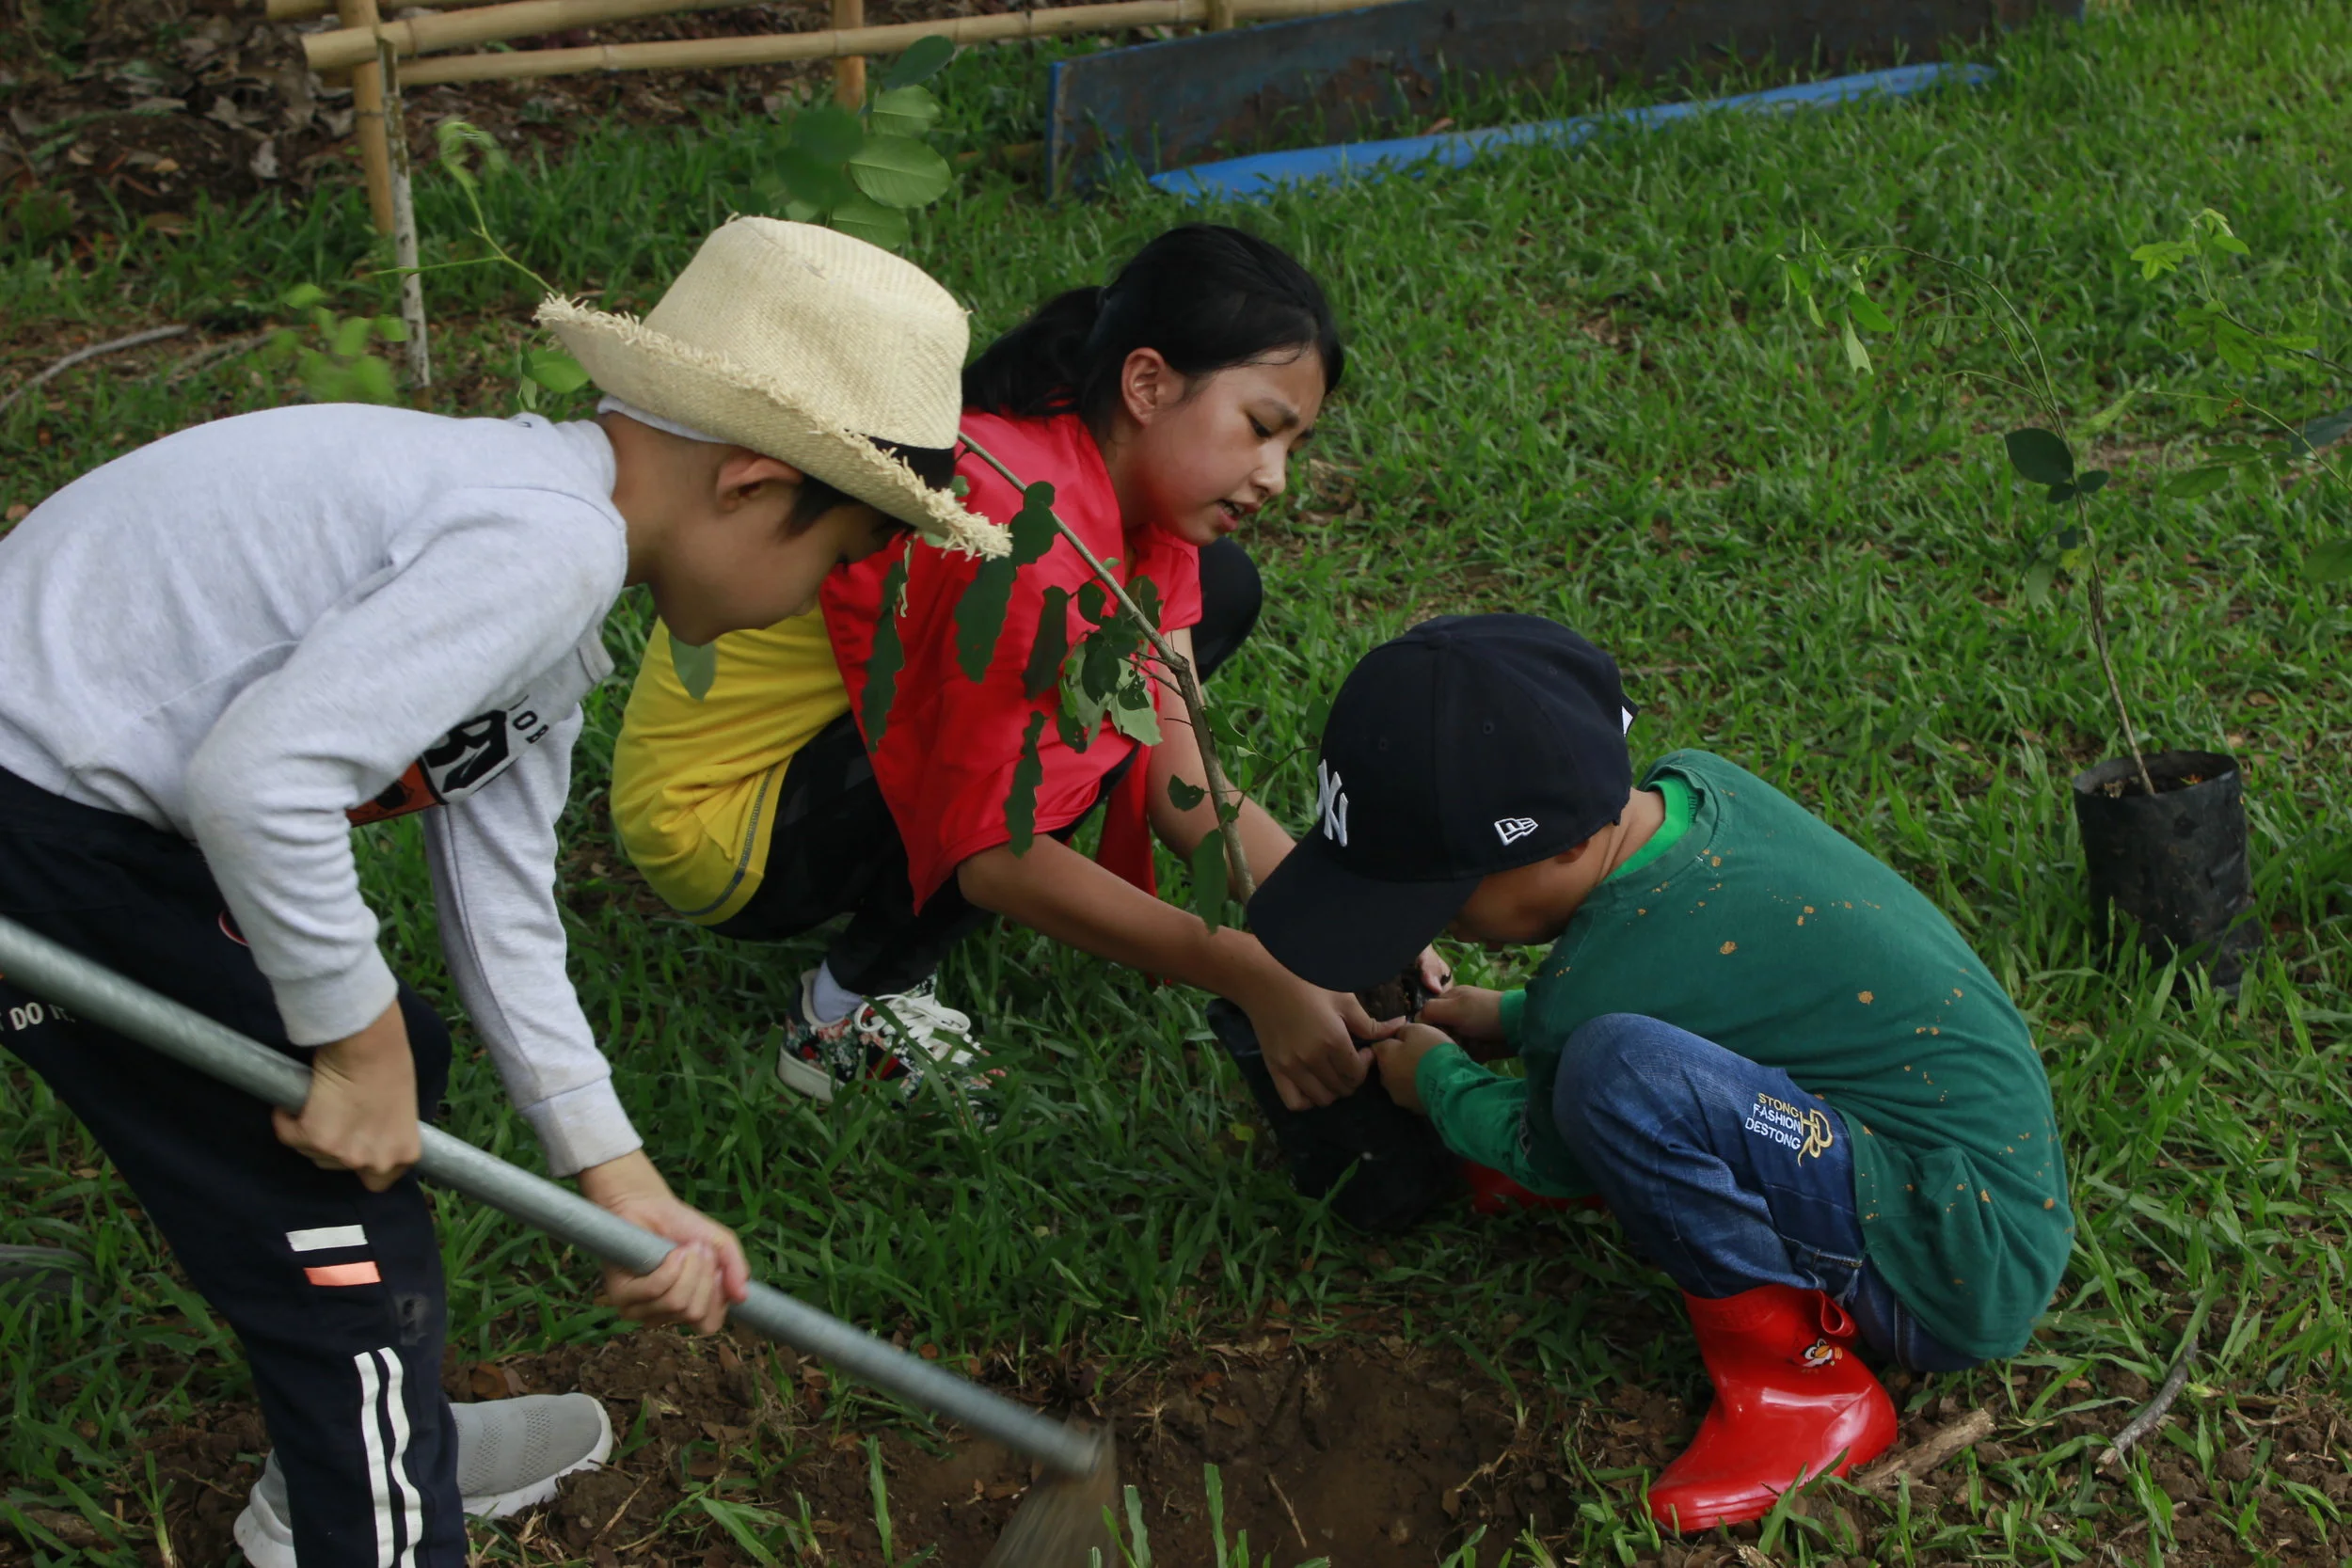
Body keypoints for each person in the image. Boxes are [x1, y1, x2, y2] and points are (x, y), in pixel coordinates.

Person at [0, 218, 1000, 1567]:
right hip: (39, 815)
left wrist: (615, 1172)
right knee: (334, 1213)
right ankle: (369, 1514)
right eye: (839, 560)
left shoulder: (547, 567)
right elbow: (259, 783)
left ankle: (377, 1437)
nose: (816, 596)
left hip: (82, 809)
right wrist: (347, 1042)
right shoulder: (545, 544)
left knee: (386, 1059)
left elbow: (501, 913)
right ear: (754, 483)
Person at [1247, 613, 2073, 1530]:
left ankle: (1800, 1390)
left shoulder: (1586, 999)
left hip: (1946, 1263)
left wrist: (1439, 1082)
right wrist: (1508, 1017)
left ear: (1562, 843)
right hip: (1955, 1183)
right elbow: (1722, 982)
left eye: (1441, 896)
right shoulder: (1699, 795)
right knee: (1607, 1066)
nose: (1440, 926)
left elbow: (1548, 1150)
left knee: (1614, 1075)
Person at [612, 223, 1436, 1120]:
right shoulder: (1017, 532)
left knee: (1211, 599)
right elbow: (996, 855)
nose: (1276, 476)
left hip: (825, 765)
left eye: (1294, 445)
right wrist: (1247, 968)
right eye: (1261, 428)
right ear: (1148, 384)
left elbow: (1184, 776)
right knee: (1067, 724)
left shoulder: (1121, 485)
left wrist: (1345, 927)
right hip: (724, 825)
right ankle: (845, 1013)